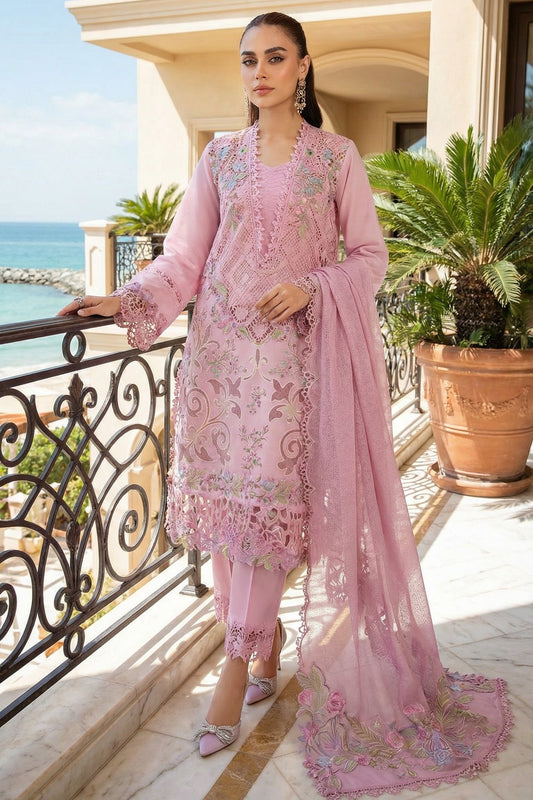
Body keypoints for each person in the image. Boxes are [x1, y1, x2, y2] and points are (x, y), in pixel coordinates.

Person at [59, 12, 512, 797]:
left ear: (303, 67)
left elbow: (369, 257)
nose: (259, 72)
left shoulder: (335, 159)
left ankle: (235, 670)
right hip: (218, 364)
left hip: (290, 370)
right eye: (248, 60)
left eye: (274, 57)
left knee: (266, 518)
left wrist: (311, 286)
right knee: (225, 515)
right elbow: (184, 258)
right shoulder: (220, 158)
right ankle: (260, 648)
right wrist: (122, 299)